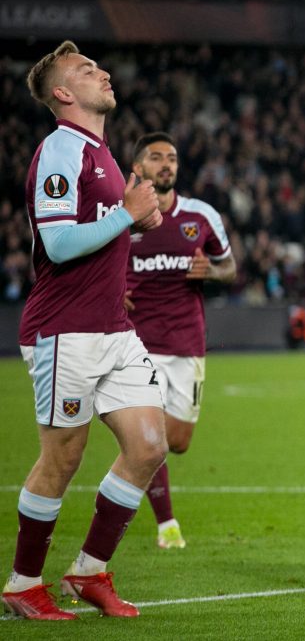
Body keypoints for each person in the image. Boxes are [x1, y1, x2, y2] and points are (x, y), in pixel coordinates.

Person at [3, 41, 167, 621]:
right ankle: (24, 584)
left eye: (100, 65)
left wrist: (134, 223)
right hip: (63, 330)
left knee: (150, 444)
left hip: (112, 329)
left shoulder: (102, 153)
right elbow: (58, 242)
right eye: (85, 70)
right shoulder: (60, 151)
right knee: (62, 459)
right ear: (63, 94)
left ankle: (88, 571)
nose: (103, 72)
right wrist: (126, 214)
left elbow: (97, 234)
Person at [125, 132, 237, 550]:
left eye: (171, 158)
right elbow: (94, 262)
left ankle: (150, 494)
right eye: (155, 158)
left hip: (187, 343)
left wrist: (211, 272)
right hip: (135, 343)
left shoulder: (200, 216)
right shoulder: (122, 217)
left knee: (177, 443)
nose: (166, 164)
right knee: (150, 441)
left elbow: (230, 268)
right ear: (138, 168)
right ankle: (166, 524)